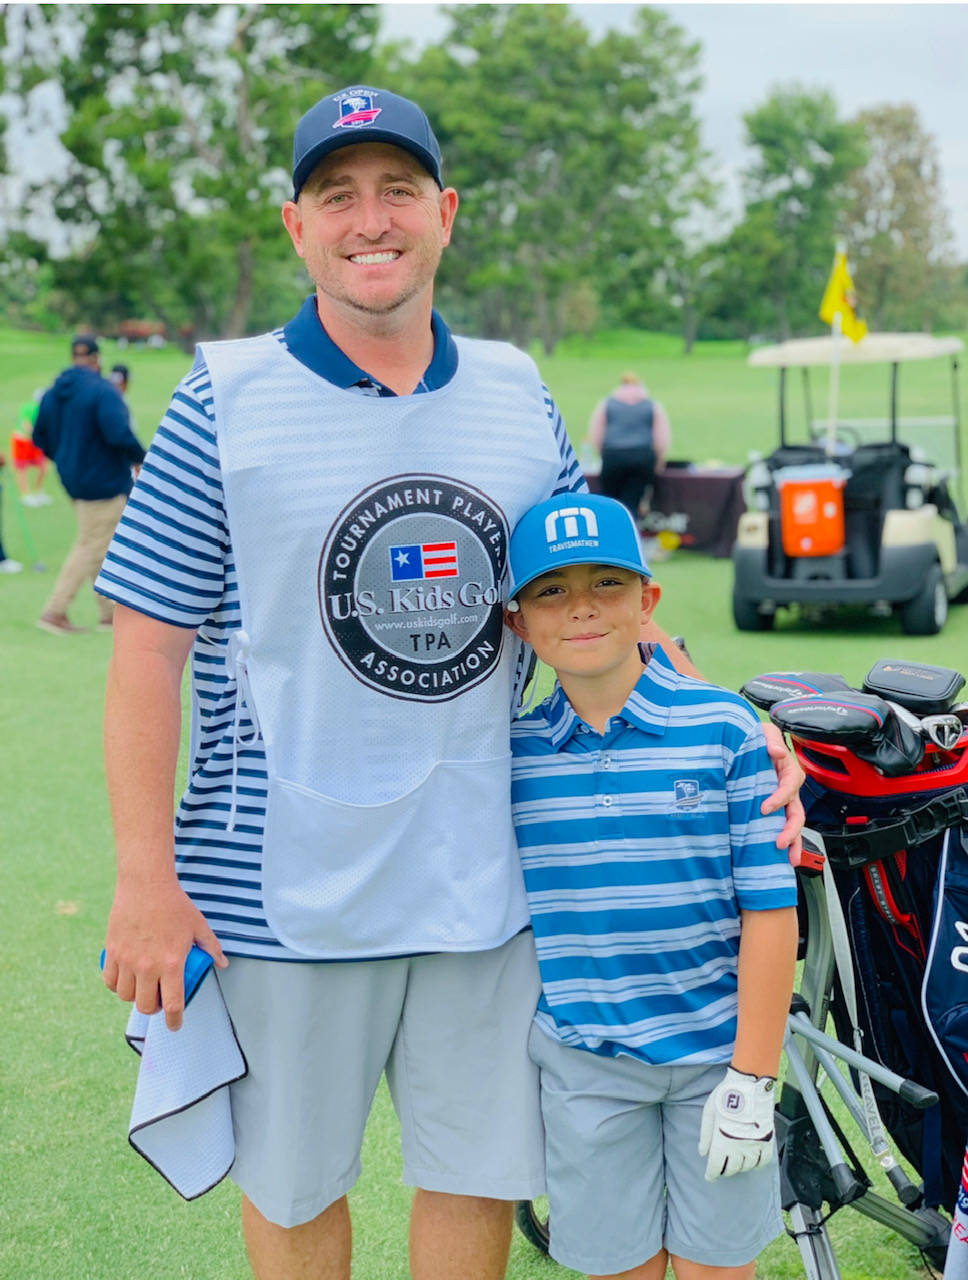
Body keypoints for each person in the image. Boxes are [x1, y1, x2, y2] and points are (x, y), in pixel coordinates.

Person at [97, 85, 803, 1280]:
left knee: (474, 1174)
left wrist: (731, 723)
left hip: (484, 877)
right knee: (294, 1185)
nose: (370, 220)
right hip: (283, 891)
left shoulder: (515, 390)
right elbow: (144, 650)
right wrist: (143, 877)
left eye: (397, 190)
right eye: (337, 197)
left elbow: (594, 594)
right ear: (296, 226)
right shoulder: (223, 395)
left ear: (445, 213)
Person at [505, 492, 799, 1280]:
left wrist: (753, 1077)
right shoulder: (511, 756)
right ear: (518, 624)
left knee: (716, 1268)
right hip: (587, 1067)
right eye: (551, 591)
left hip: (718, 1062)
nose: (582, 608)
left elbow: (771, 913)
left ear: (648, 602)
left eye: (608, 583)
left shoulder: (725, 729)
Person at [32, 335, 145, 635]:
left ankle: (108, 614)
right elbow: (119, 433)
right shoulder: (103, 390)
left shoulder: (53, 392)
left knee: (99, 541)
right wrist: (141, 458)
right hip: (104, 480)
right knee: (90, 543)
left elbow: (39, 436)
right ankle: (54, 611)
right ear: (96, 358)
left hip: (72, 479)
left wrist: (64, 459)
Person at [588, 371, 670, 518]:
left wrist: (603, 454)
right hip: (642, 457)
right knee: (632, 501)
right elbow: (661, 438)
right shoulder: (652, 405)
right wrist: (658, 462)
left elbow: (596, 434)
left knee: (610, 503)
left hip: (613, 455)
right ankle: (630, 526)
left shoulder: (607, 404)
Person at [11, 389, 51, 506]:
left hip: (34, 442)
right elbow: (26, 425)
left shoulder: (46, 410)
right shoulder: (29, 408)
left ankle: (38, 492)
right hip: (22, 441)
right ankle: (25, 495)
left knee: (43, 467)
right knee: (22, 468)